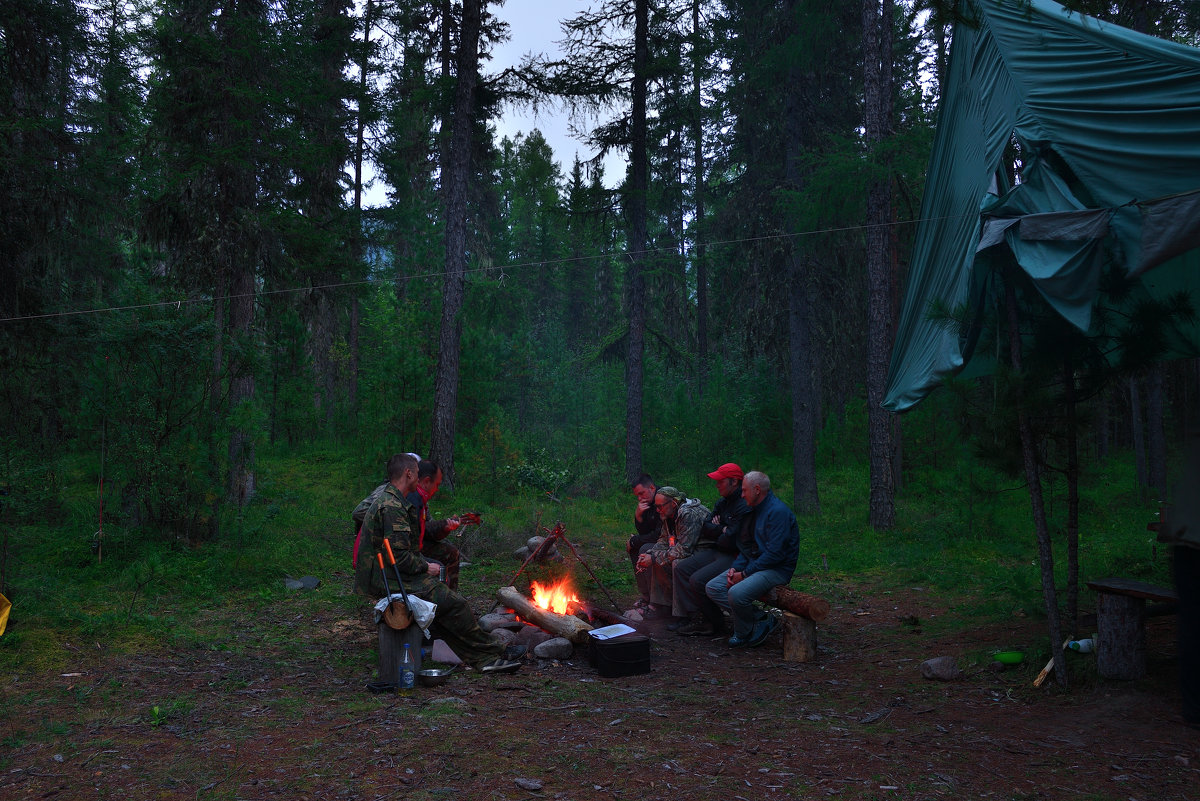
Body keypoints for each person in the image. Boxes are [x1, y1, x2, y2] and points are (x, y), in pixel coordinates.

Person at [356, 453, 520, 675]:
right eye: (416, 472)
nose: (419, 477)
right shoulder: (392, 506)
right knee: (455, 604)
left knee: (447, 607)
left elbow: (406, 550)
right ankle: (487, 654)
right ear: (409, 473)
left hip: (390, 573)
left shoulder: (394, 500)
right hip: (388, 578)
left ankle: (488, 653)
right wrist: (426, 567)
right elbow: (401, 558)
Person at [705, 471, 799, 648]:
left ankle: (744, 632)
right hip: (759, 564)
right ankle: (760, 618)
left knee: (736, 592)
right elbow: (748, 547)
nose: (741, 495)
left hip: (777, 569)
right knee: (714, 587)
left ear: (757, 490)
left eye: (744, 491)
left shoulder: (777, 512)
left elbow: (775, 555)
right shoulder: (755, 511)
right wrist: (736, 568)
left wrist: (745, 573)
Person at [670, 463, 750, 636]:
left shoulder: (743, 505)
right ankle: (697, 616)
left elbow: (732, 538)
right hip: (717, 550)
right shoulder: (722, 502)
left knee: (697, 580)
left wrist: (720, 528)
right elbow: (705, 527)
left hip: (735, 555)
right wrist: (722, 529)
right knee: (682, 569)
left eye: (720, 481)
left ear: (734, 482)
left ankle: (713, 622)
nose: (717, 485)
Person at [1160, 428, 1200, 726]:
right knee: (1193, 623)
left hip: (1186, 540)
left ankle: (1194, 707)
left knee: (1192, 622)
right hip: (1190, 542)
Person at [635, 486, 710, 619]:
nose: (657, 510)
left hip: (704, 552)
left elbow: (684, 549)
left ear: (673, 503)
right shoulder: (668, 514)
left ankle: (681, 614)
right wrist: (651, 554)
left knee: (676, 562)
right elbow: (663, 540)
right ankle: (660, 605)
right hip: (688, 550)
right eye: (656, 507)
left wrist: (653, 558)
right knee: (653, 555)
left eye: (660, 506)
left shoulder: (688, 514)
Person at [408, 459, 464, 590]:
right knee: (438, 568)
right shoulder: (412, 498)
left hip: (415, 547)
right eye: (437, 484)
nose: (437, 489)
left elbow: (424, 531)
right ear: (427, 481)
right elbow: (409, 541)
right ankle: (442, 601)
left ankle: (451, 597)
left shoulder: (420, 499)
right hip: (406, 553)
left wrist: (445, 528)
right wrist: (425, 565)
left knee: (451, 552)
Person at [627, 474, 662, 608]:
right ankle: (646, 595)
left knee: (643, 549)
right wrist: (638, 516)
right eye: (637, 496)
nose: (640, 498)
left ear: (652, 487)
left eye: (642, 493)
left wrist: (634, 540)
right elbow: (645, 532)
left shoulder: (662, 499)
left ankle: (656, 600)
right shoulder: (647, 502)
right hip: (657, 539)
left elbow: (658, 534)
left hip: (669, 541)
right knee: (635, 548)